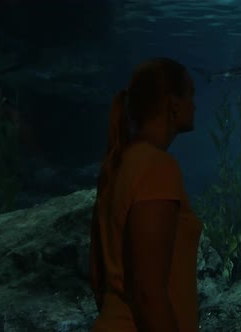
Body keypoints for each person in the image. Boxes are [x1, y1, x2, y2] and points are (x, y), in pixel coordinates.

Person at [89, 57, 202, 332]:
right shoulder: (156, 167)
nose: (195, 105)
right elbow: (148, 294)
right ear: (173, 104)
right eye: (190, 95)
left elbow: (98, 278)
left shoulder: (118, 166)